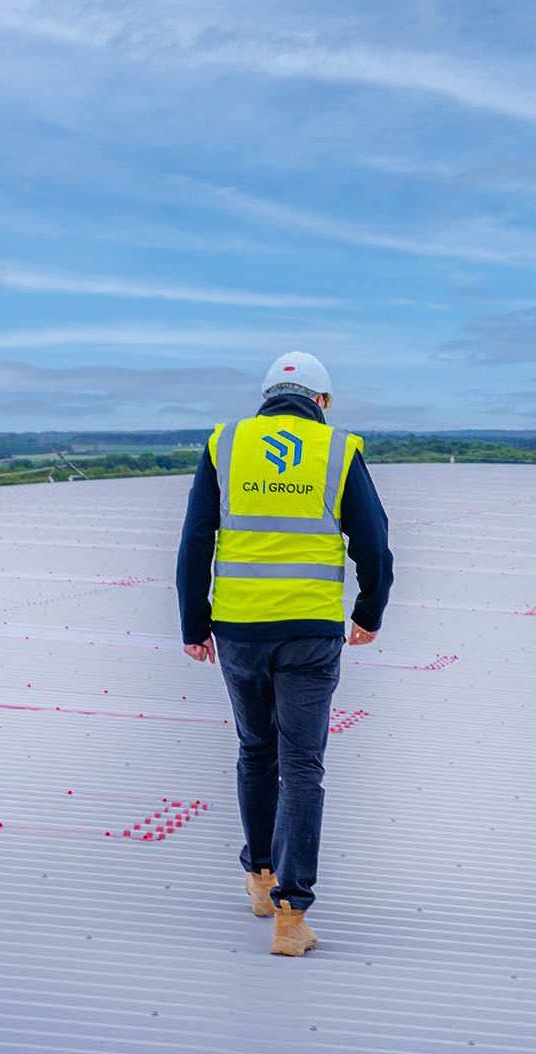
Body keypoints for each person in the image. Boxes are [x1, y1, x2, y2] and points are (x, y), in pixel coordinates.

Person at [176, 351, 393, 957]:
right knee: (302, 765)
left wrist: (195, 622)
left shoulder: (225, 443)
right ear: (321, 402)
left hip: (240, 630)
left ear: (266, 396)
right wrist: (369, 612)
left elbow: (196, 538)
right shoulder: (338, 450)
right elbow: (374, 543)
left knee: (254, 750)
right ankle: (291, 919)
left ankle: (259, 876)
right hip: (309, 633)